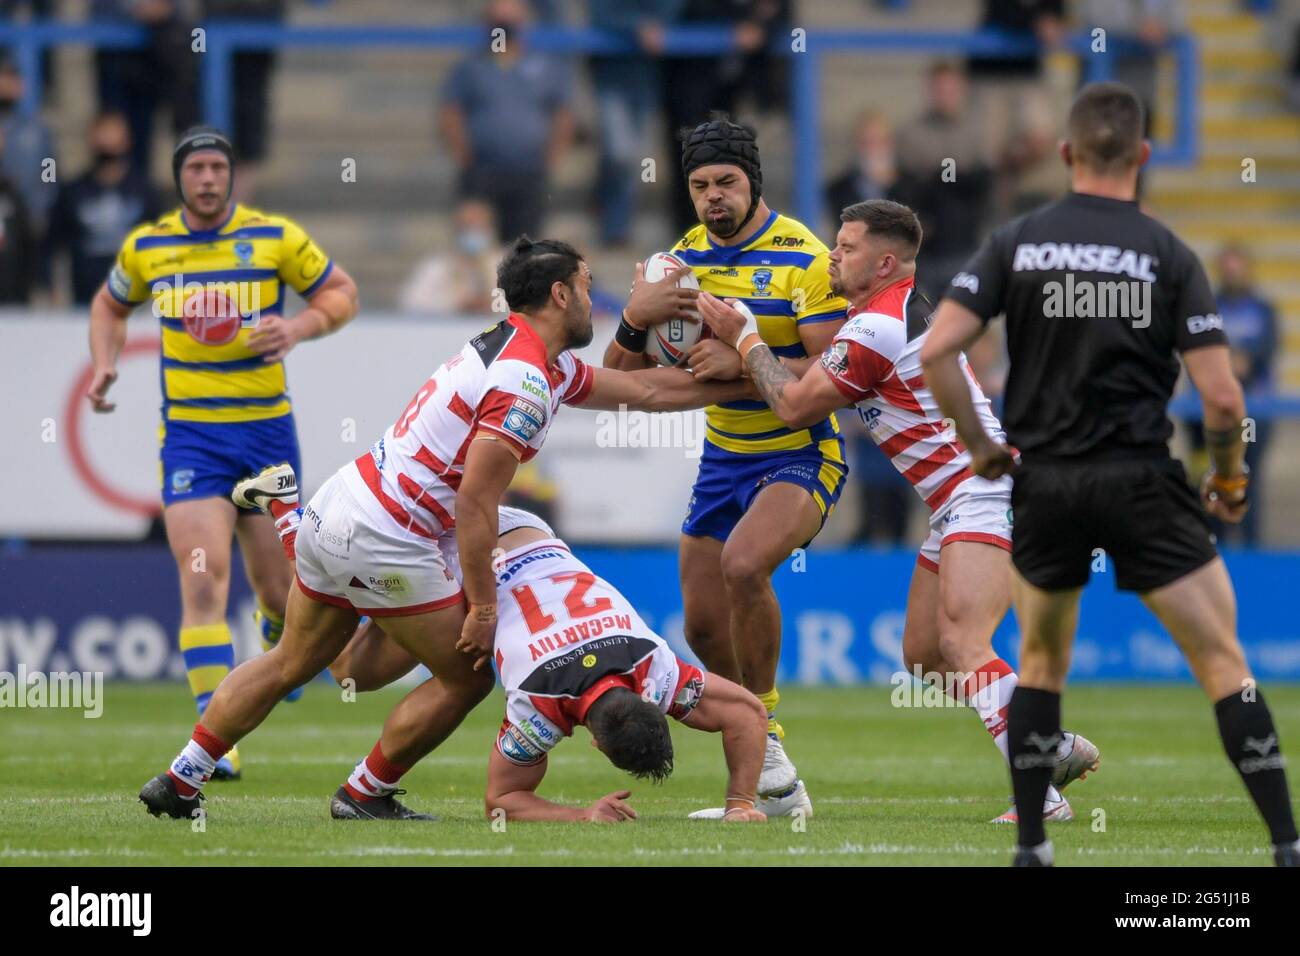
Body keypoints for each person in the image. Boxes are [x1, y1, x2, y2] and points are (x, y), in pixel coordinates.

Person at [138, 236, 757, 821]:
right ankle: (363, 794)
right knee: (467, 673)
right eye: (588, 287)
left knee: (297, 663)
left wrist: (755, 376)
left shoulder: (520, 353)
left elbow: (646, 389)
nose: (597, 303)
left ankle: (180, 779)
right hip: (388, 538)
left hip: (346, 504)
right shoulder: (525, 381)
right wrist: (484, 609)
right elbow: (474, 504)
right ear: (561, 295)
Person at [920, 82, 1299, 867]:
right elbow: (1223, 398)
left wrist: (979, 446)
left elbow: (935, 352)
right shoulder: (1167, 253)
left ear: (1065, 154)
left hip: (1045, 484)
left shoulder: (1016, 240)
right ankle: (1287, 844)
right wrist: (1228, 478)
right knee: (1225, 662)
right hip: (1140, 479)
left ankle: (1033, 847)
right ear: (1144, 157)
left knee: (1039, 665)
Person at [697, 199, 1100, 823]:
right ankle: (1047, 745)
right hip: (956, 500)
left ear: (884, 262)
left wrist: (746, 338)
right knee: (923, 657)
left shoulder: (877, 326)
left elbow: (797, 407)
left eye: (847, 247)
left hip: (983, 490)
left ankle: (1039, 795)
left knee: (964, 640)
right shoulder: (886, 314)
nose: (833, 254)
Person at [89, 126, 360, 779]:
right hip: (192, 438)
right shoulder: (149, 247)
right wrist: (104, 365)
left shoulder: (273, 238)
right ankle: (218, 737)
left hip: (265, 437)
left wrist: (297, 326)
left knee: (281, 594)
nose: (207, 179)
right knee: (204, 579)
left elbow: (342, 293)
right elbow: (108, 302)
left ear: (231, 176)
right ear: (179, 177)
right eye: (196, 168)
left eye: (217, 167)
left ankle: (274, 637)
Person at [603, 115, 851, 817]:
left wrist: (743, 360)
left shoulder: (803, 256)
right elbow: (618, 377)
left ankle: (765, 731)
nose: (714, 197)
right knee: (704, 626)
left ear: (754, 182)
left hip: (799, 452)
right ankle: (773, 784)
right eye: (701, 185)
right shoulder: (681, 262)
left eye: (727, 182)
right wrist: (634, 316)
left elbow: (833, 374)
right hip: (723, 462)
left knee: (745, 567)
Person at [327, 508, 771, 823]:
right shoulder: (538, 708)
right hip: (456, 564)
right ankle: (319, 550)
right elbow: (501, 802)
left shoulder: (653, 666)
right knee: (350, 674)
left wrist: (742, 803)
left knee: (392, 663)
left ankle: (368, 579)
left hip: (522, 529)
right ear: (594, 744)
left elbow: (748, 712)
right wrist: (582, 815)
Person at [438, 0, 575, 243]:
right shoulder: (470, 68)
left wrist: (551, 159)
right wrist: (465, 158)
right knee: (475, 246)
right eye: (498, 22)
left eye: (509, 21)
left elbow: (562, 114)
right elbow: (451, 113)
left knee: (523, 250)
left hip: (529, 172)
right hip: (482, 172)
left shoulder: (545, 66)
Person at [1186, 244, 1278, 546]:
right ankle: (1216, 546)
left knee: (1246, 477)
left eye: (1237, 268)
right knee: (1210, 478)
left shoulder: (1263, 309)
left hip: (1254, 411)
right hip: (1209, 409)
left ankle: (1251, 547)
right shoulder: (1208, 306)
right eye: (1227, 268)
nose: (1232, 274)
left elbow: (1267, 349)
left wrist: (1237, 365)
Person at [894, 62, 994, 300]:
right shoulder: (912, 132)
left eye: (949, 89)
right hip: (927, 245)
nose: (944, 96)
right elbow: (910, 186)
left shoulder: (976, 132)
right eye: (939, 89)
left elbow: (982, 182)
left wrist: (940, 175)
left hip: (965, 241)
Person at [46, 112, 162, 306]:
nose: (108, 143)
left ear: (126, 141)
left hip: (136, 302)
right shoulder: (73, 192)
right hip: (85, 300)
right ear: (91, 140)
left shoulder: (145, 191)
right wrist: (49, 286)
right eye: (102, 136)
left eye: (113, 136)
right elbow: (52, 243)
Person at [397, 199, 502, 315]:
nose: (473, 232)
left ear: (490, 229)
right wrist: (457, 304)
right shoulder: (437, 266)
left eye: (479, 227)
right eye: (467, 227)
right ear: (457, 230)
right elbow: (411, 302)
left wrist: (491, 304)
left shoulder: (507, 264)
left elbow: (521, 307)